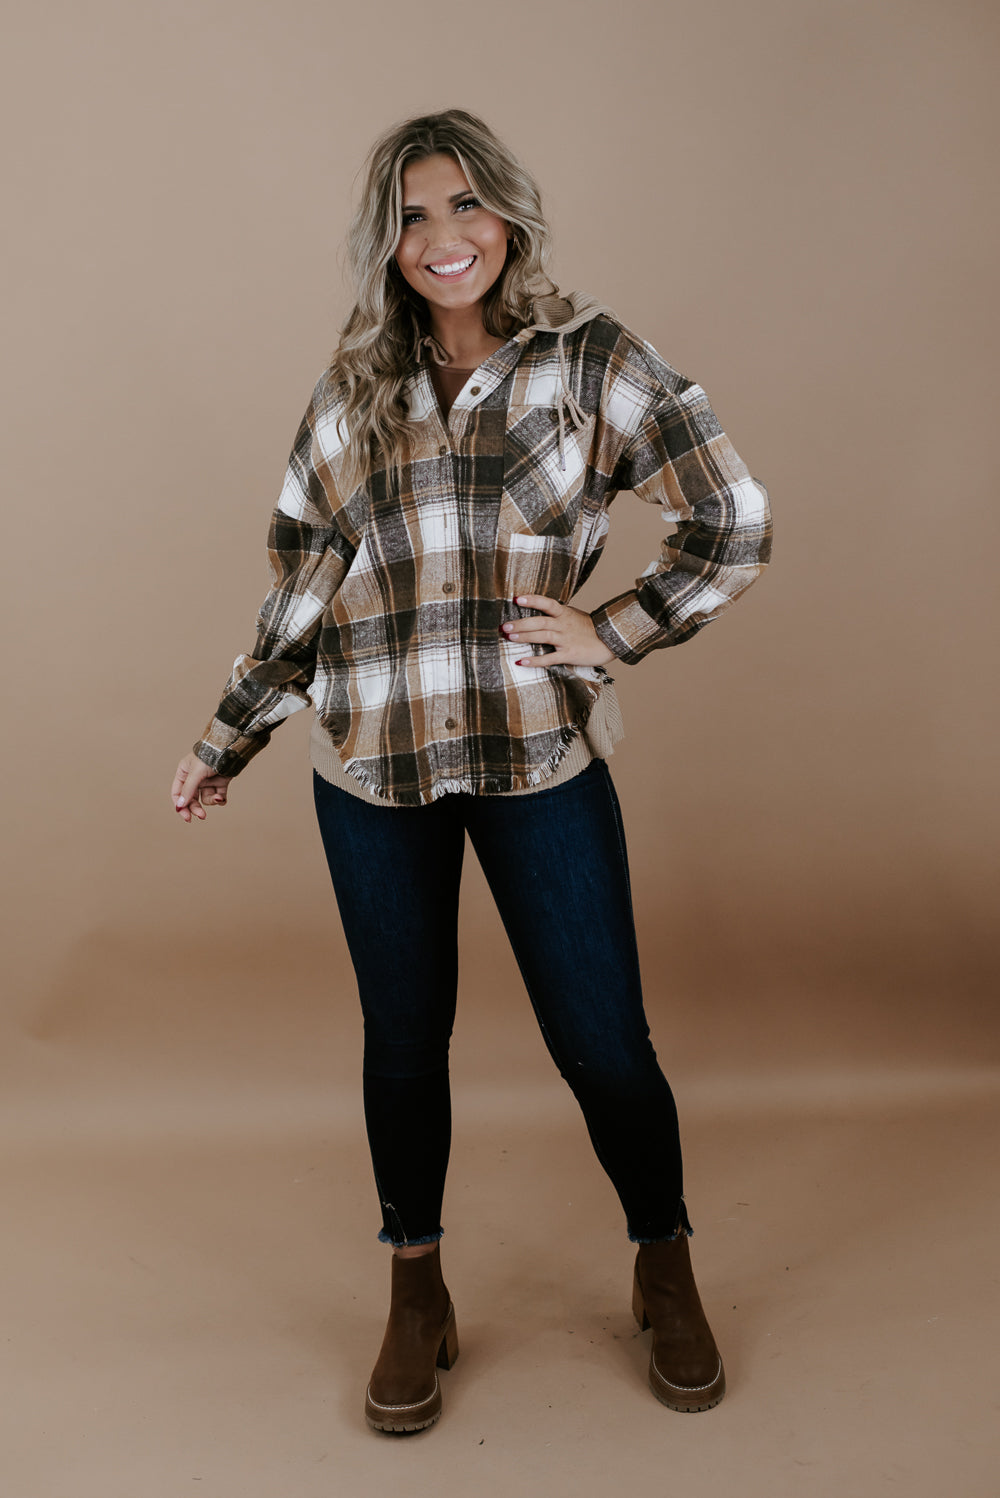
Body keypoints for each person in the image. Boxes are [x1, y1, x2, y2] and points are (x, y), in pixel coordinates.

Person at [171, 108, 772, 1434]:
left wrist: (615, 629)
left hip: (536, 752)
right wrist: (227, 737)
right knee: (403, 1045)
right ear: (384, 244)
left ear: (508, 216)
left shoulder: (591, 360)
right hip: (372, 764)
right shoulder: (353, 392)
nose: (443, 237)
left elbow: (731, 516)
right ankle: (416, 1287)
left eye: (465, 206)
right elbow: (301, 584)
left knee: (604, 1041)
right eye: (413, 216)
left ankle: (664, 1258)